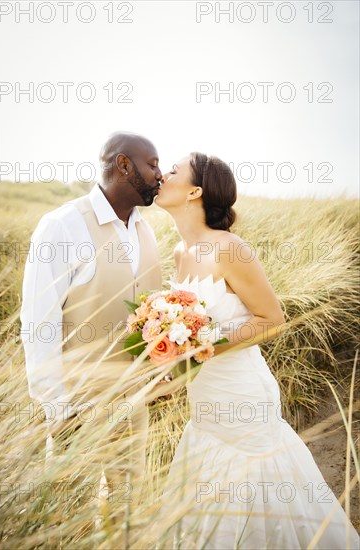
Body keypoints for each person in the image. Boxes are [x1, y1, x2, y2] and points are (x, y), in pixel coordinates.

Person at [149, 153, 360, 549]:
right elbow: (189, 334)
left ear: (195, 191)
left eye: (173, 171)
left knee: (257, 492)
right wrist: (175, 369)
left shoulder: (231, 248)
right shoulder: (180, 252)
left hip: (242, 396)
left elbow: (272, 318)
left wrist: (205, 347)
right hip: (206, 401)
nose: (162, 175)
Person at [20, 131, 163, 525]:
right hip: (76, 406)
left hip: (134, 402)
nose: (160, 174)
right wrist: (57, 408)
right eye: (152, 165)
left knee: (127, 512)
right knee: (69, 517)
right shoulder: (62, 226)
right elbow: (39, 323)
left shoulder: (145, 229)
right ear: (123, 165)